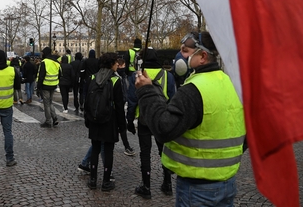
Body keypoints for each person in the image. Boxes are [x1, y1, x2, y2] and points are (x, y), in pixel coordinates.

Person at [135, 31, 245, 206]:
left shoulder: (193, 89)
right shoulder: (231, 84)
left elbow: (164, 128)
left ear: (202, 56)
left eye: (185, 51)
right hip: (227, 183)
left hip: (197, 187)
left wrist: (146, 92)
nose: (180, 56)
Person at [126, 47, 176, 198]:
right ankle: (167, 183)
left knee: (145, 153)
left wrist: (129, 120)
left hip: (144, 119)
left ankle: (146, 186)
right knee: (164, 152)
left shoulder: (138, 76)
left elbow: (132, 100)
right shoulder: (168, 76)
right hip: (163, 118)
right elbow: (173, 98)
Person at [85, 52, 126, 192]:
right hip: (110, 119)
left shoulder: (92, 77)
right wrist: (122, 125)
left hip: (94, 119)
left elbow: (86, 101)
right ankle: (106, 181)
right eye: (115, 62)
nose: (117, 65)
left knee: (95, 149)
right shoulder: (115, 80)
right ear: (111, 64)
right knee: (108, 151)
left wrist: (87, 119)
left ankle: (92, 180)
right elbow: (119, 106)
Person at [37, 47, 61, 128]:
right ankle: (55, 118)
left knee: (46, 104)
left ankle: (48, 121)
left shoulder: (44, 62)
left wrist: (38, 87)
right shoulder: (56, 62)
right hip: (53, 85)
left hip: (45, 85)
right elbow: (60, 73)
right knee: (50, 102)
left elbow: (41, 76)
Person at [79, 49, 99, 113]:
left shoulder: (86, 61)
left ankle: (86, 105)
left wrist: (82, 77)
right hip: (96, 79)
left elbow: (82, 70)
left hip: (87, 79)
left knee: (86, 93)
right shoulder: (97, 61)